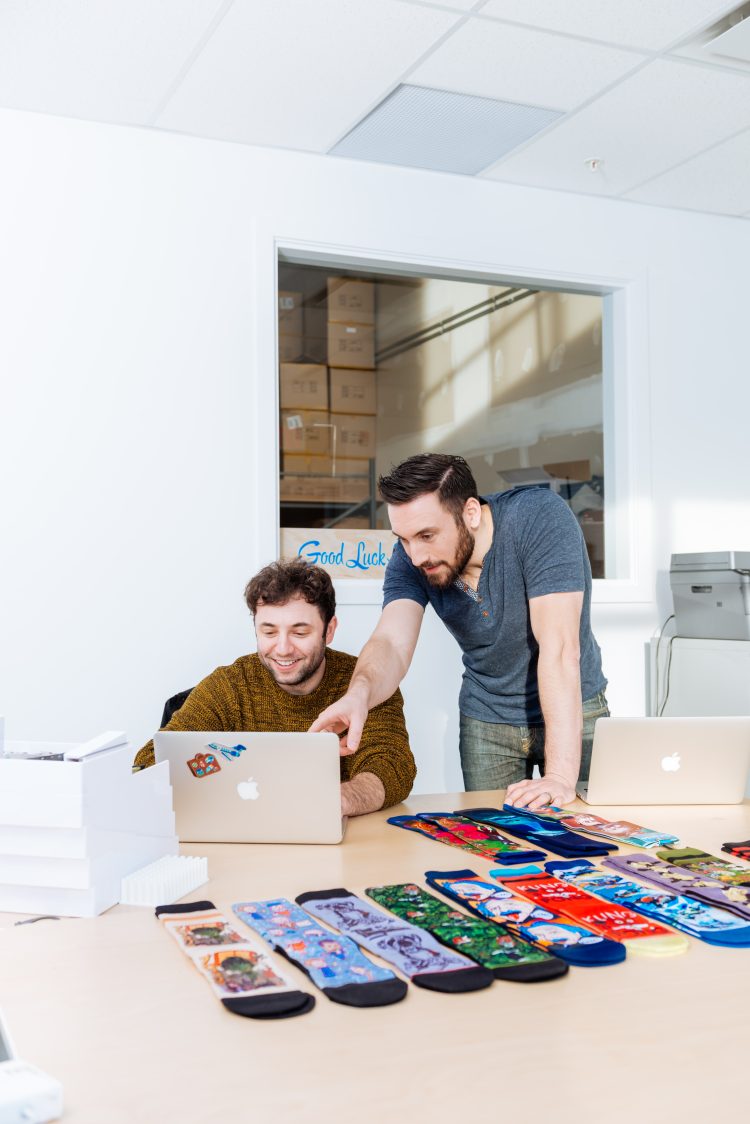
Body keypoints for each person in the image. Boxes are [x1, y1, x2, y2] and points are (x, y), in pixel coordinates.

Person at [310, 453, 608, 812]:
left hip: (574, 708)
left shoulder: (538, 517)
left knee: (590, 836)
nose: (416, 554)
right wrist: (359, 695)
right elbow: (390, 641)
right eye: (403, 538)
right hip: (487, 719)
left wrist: (560, 777)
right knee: (496, 845)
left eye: (427, 535)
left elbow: (559, 649)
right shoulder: (409, 557)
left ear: (470, 512)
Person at [134, 559, 416, 817]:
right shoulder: (231, 685)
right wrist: (212, 773)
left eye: (300, 632)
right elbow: (150, 762)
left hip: (334, 841)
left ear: (329, 631)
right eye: (268, 632)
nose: (282, 648)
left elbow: (391, 767)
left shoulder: (366, 683)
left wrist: (340, 799)